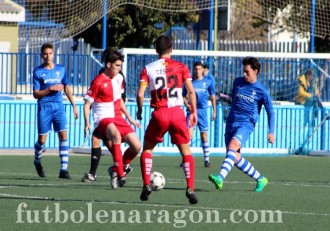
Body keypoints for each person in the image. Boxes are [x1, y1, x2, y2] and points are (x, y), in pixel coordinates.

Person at [136, 35, 199, 204]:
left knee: (148, 150)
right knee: (186, 152)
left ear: (156, 50)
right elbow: (191, 92)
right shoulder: (181, 67)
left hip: (159, 113)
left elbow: (140, 94)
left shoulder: (147, 68)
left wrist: (140, 110)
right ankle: (190, 188)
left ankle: (145, 185)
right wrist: (193, 112)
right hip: (177, 113)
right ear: (171, 49)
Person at [209, 57, 275, 192]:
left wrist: (271, 131)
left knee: (232, 147)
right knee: (234, 156)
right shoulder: (237, 82)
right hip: (231, 123)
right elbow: (234, 100)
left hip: (246, 124)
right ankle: (261, 179)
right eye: (243, 71)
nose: (244, 74)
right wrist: (222, 97)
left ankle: (220, 178)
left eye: (247, 72)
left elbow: (271, 112)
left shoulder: (262, 91)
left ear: (255, 71)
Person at [83, 49, 141, 188]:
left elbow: (119, 100)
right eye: (117, 66)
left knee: (137, 146)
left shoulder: (119, 78)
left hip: (117, 117)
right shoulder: (98, 81)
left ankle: (116, 168)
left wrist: (130, 118)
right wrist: (87, 123)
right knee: (115, 136)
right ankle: (120, 174)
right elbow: (87, 105)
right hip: (102, 117)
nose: (119, 69)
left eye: (120, 65)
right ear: (108, 65)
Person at [32, 42, 78, 179]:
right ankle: (37, 160)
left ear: (53, 54)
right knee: (42, 140)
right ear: (41, 55)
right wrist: (49, 89)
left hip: (59, 107)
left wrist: (74, 106)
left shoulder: (61, 69)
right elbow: (35, 94)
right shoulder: (38, 71)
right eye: (45, 54)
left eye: (50, 53)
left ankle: (63, 170)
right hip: (44, 107)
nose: (48, 56)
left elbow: (67, 88)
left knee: (63, 136)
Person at [183, 61, 216, 167]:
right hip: (192, 111)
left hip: (203, 112)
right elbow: (183, 95)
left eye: (199, 69)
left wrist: (214, 110)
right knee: (188, 135)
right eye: (195, 69)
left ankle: (207, 160)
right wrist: (186, 104)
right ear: (193, 70)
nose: (197, 71)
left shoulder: (208, 82)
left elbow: (212, 96)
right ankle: (186, 159)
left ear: (203, 70)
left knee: (204, 135)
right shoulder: (189, 82)